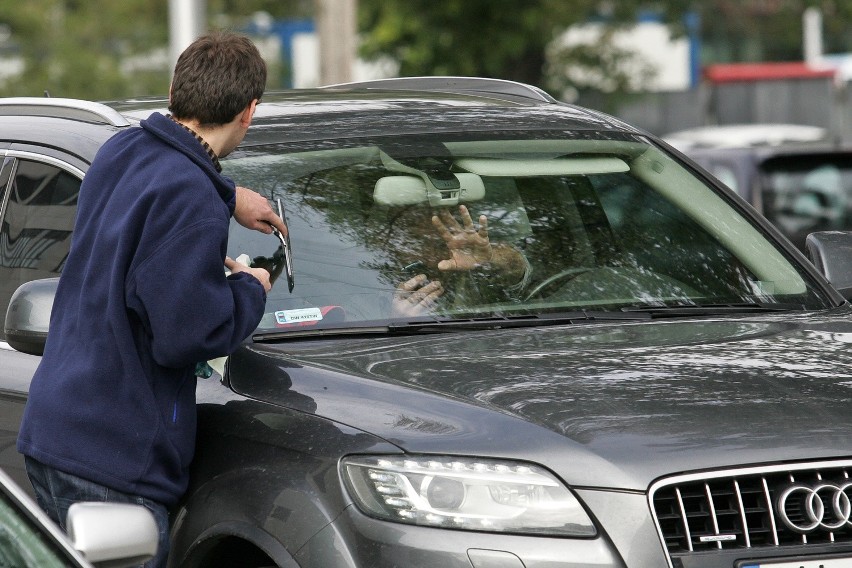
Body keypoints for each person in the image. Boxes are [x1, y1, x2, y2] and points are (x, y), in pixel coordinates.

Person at [16, 32, 279, 567]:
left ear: (173, 88)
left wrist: (229, 196)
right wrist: (250, 288)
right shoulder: (192, 199)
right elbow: (188, 335)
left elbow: (160, 176)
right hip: (116, 460)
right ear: (250, 111)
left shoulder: (120, 150)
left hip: (55, 432)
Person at [392, 204, 530, 316]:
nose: (429, 253)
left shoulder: (479, 271)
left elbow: (515, 266)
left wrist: (488, 259)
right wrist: (397, 318)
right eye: (418, 241)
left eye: (439, 242)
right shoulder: (398, 275)